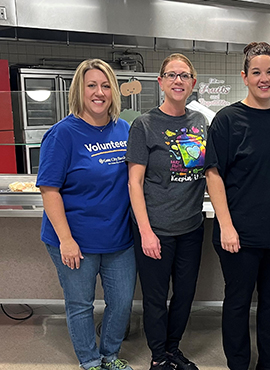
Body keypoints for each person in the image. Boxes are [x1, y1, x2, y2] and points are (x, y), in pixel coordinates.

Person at [204, 41, 270, 370]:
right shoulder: (228, 119)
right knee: (237, 303)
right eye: (256, 72)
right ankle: (238, 363)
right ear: (245, 77)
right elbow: (213, 173)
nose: (264, 78)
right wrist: (226, 225)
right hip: (241, 235)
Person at [37, 59, 135, 370]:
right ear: (79, 89)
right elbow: (49, 190)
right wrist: (66, 240)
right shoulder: (62, 134)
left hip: (119, 237)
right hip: (74, 238)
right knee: (80, 304)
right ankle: (91, 361)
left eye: (105, 85)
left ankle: (109, 354)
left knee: (120, 304)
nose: (99, 92)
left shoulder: (124, 129)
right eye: (91, 85)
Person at [126, 53, 207, 370]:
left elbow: (206, 171)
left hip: (191, 227)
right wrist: (146, 231)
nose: (178, 80)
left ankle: (173, 349)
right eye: (171, 75)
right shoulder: (144, 125)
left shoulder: (200, 122)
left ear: (192, 83)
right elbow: (135, 182)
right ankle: (158, 357)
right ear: (160, 82)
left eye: (184, 75)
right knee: (156, 299)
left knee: (185, 295)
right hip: (155, 228)